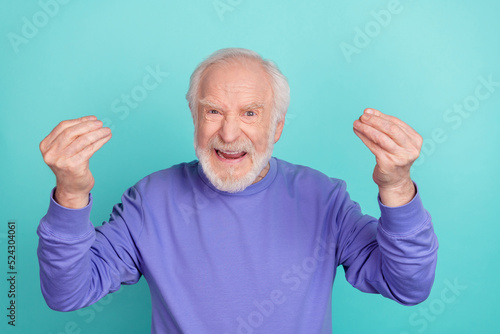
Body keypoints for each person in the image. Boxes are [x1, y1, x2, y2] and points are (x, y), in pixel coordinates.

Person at [37, 48, 438, 333]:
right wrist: (70, 195)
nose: (229, 134)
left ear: (276, 127)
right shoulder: (150, 200)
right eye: (213, 112)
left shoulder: (322, 197)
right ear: (194, 118)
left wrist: (397, 186)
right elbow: (67, 293)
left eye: (250, 113)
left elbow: (408, 286)